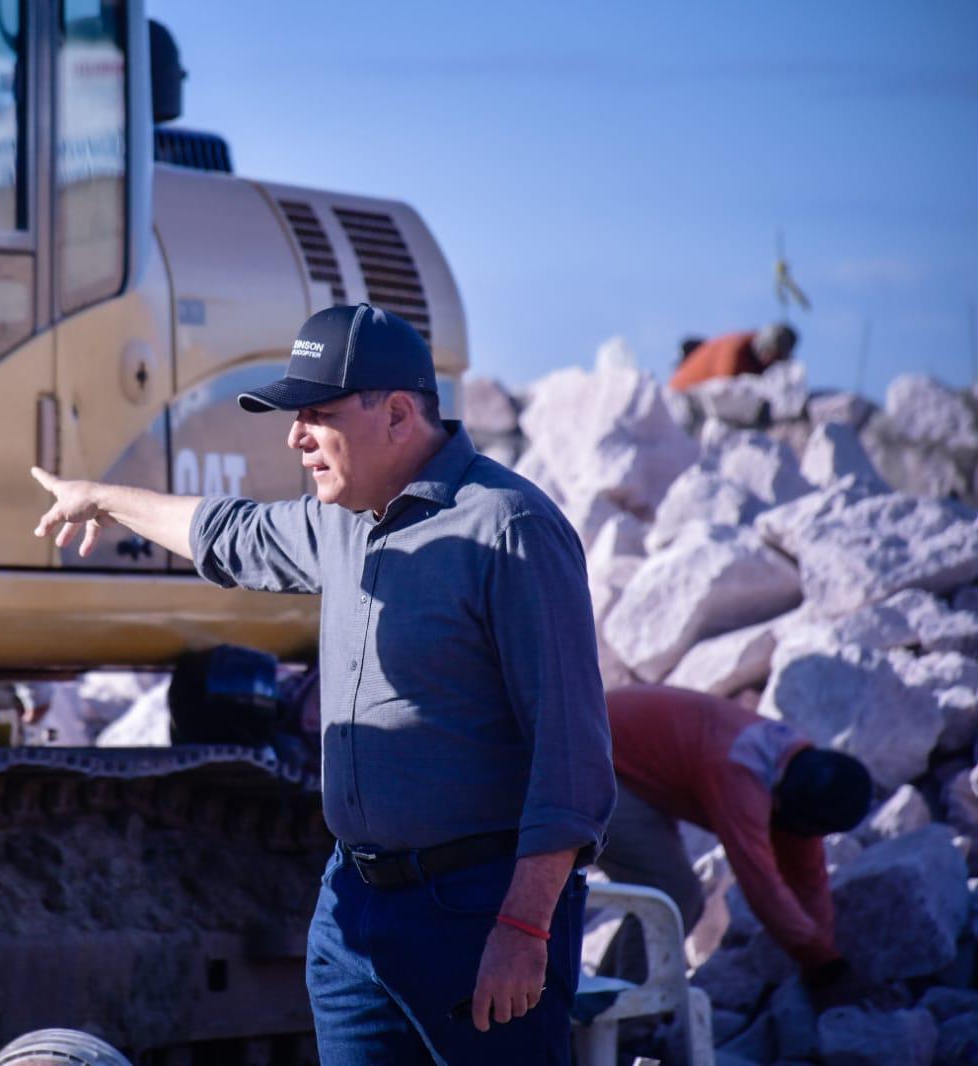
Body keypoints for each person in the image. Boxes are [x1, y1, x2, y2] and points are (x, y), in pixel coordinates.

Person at [31, 303, 615, 1064]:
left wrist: (524, 928)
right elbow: (223, 532)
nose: (293, 436)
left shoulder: (507, 529)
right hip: (354, 910)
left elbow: (571, 762)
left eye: (316, 414)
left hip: (476, 911)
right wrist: (102, 499)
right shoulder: (344, 518)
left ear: (398, 414)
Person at [602, 685, 873, 1003]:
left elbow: (807, 876)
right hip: (586, 761)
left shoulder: (793, 771)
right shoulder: (740, 773)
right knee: (673, 895)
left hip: (619, 758)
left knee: (664, 898)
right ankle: (619, 1022)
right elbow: (761, 886)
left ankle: (599, 1011)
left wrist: (825, 954)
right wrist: (824, 963)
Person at [669, 323, 798, 391]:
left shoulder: (749, 353)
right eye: (771, 353)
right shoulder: (735, 351)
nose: (770, 361)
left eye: (776, 358)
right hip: (683, 400)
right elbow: (728, 391)